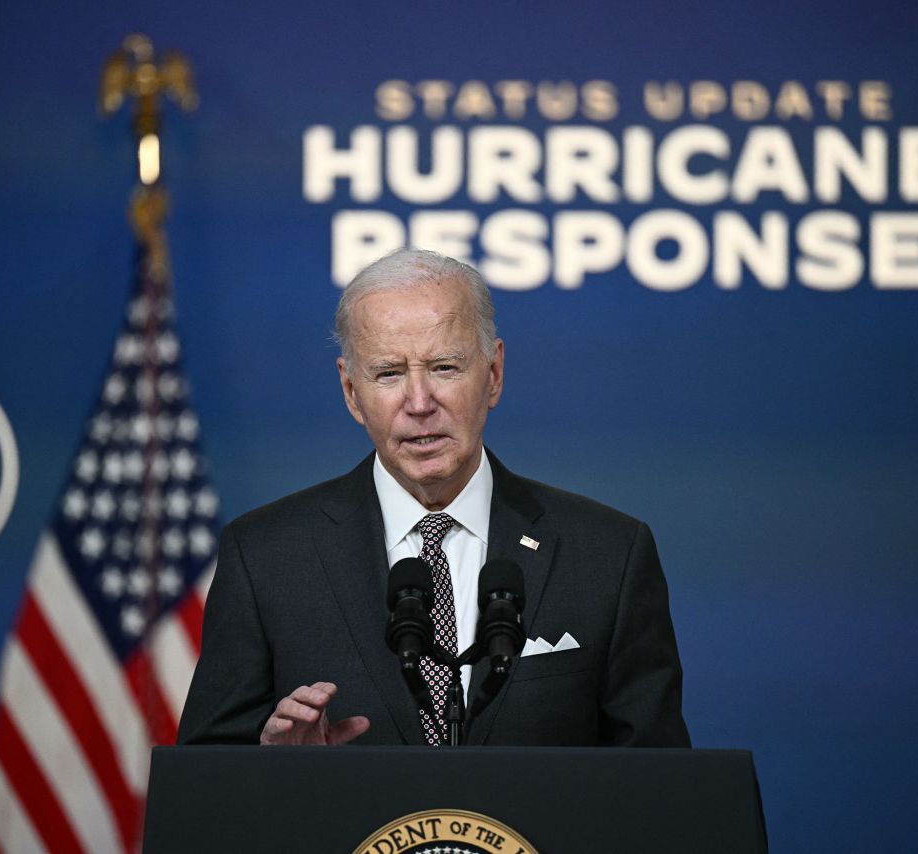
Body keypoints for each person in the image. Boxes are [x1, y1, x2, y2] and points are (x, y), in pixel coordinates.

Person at [177, 248, 689, 748]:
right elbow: (206, 791)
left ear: (493, 375)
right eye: (389, 374)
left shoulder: (608, 555)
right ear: (352, 392)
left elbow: (660, 797)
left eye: (444, 367)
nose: (419, 403)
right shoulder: (265, 557)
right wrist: (278, 775)